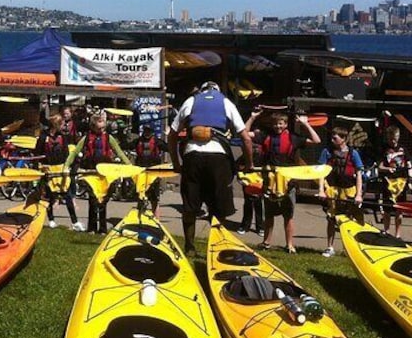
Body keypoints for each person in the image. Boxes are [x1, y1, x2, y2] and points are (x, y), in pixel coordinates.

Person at [168, 81, 254, 256]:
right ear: (218, 91)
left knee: (190, 205)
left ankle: (189, 247)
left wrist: (176, 163)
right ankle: (216, 248)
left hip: (193, 157)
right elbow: (246, 138)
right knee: (219, 206)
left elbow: (172, 135)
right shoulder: (226, 102)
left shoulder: (190, 102)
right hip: (218, 157)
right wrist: (249, 163)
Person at [248, 109, 320, 253]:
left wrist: (306, 124)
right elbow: (244, 133)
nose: (278, 127)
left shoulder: (293, 138)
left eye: (280, 124)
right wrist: (252, 117)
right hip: (271, 180)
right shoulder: (265, 136)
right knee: (268, 214)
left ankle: (290, 245)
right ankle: (266, 242)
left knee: (288, 216)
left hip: (288, 181)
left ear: (286, 124)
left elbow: (316, 140)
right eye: (275, 124)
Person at [70, 113, 129, 234]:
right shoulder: (86, 138)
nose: (101, 130)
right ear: (93, 126)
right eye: (99, 127)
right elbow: (75, 152)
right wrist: (66, 166)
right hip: (91, 172)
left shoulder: (109, 138)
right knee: (92, 200)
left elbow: (119, 152)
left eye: (103, 127)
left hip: (105, 173)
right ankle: (91, 228)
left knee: (103, 201)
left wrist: (130, 166)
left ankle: (102, 229)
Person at [317, 126, 364, 257]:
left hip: (349, 189)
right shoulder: (327, 152)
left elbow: (359, 174)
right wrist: (321, 190)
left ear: (343, 139)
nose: (332, 140)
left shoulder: (353, 154)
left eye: (335, 138)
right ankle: (329, 247)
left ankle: (349, 249)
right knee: (331, 218)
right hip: (332, 188)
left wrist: (358, 194)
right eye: (332, 137)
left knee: (349, 219)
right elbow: (321, 172)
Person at [36, 113, 84, 231]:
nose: (63, 126)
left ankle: (75, 222)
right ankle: (51, 220)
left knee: (67, 196)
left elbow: (66, 153)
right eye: (61, 124)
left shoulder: (62, 137)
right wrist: (40, 166)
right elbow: (37, 151)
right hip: (48, 168)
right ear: (55, 124)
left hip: (61, 168)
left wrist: (67, 167)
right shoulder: (43, 137)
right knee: (49, 196)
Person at [378, 126, 412, 238]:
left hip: (401, 183)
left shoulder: (403, 149)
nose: (393, 141)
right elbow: (380, 166)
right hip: (388, 183)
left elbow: (409, 165)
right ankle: (386, 231)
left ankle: (398, 235)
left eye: (395, 138)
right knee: (387, 210)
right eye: (391, 139)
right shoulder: (384, 149)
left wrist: (410, 180)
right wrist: (388, 169)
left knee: (399, 210)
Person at [132, 124, 167, 214]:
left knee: (154, 197)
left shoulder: (158, 142)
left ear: (152, 132)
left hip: (153, 172)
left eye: (149, 131)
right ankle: (140, 215)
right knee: (141, 195)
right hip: (141, 171)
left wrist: (170, 136)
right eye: (145, 130)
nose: (147, 132)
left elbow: (169, 148)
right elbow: (125, 145)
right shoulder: (138, 141)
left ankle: (156, 217)